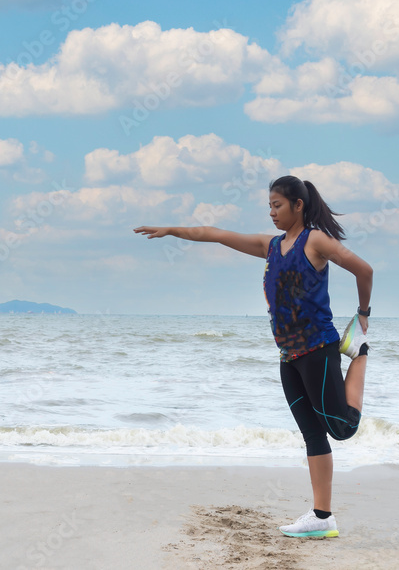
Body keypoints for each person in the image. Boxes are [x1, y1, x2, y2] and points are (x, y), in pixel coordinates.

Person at [133, 175, 372, 539]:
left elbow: (363, 269)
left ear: (298, 205)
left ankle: (360, 353)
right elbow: (214, 234)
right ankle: (322, 517)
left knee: (343, 428)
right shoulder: (270, 246)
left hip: (318, 349)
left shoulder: (316, 241)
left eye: (278, 206)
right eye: (269, 206)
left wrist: (363, 311)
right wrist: (171, 230)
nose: (272, 213)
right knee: (312, 434)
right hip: (288, 354)